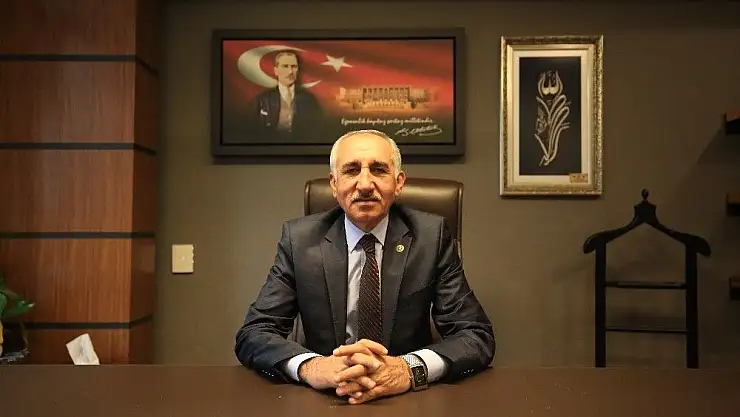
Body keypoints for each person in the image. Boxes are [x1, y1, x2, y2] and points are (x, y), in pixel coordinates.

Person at [235, 129, 495, 404]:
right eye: (351, 170)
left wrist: (408, 369)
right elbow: (255, 332)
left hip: (405, 398)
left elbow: (475, 335)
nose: (365, 184)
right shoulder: (299, 241)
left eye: (379, 170)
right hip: (325, 397)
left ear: (398, 183)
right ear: (334, 184)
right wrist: (312, 367)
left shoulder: (431, 238)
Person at [246, 50, 323, 142]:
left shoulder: (309, 101)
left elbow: (317, 131)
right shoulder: (262, 101)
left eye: (294, 67)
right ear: (276, 71)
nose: (290, 71)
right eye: (285, 66)